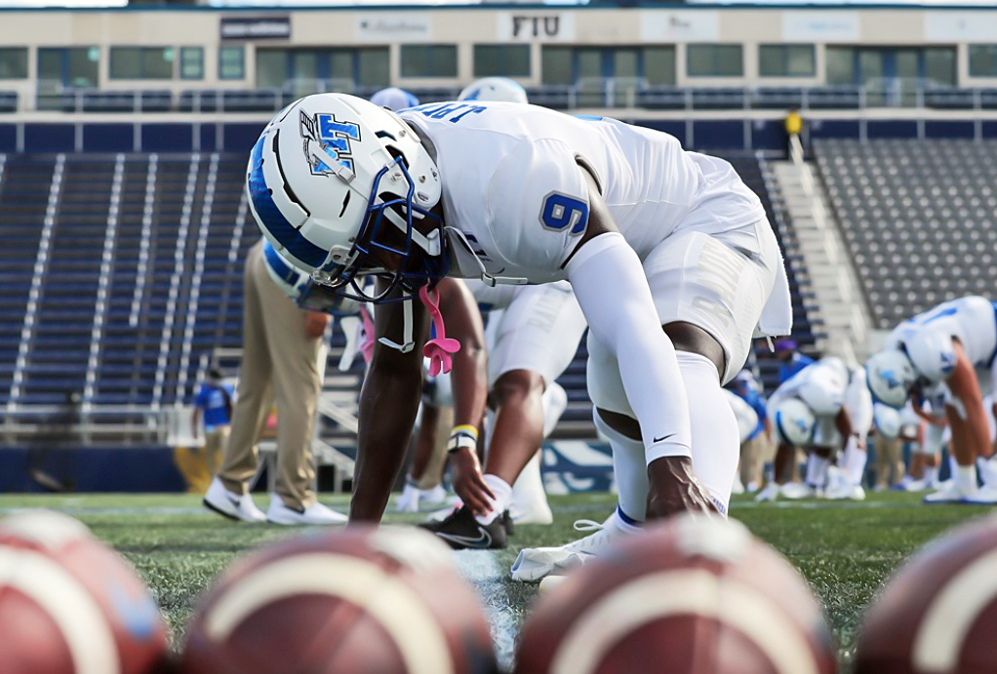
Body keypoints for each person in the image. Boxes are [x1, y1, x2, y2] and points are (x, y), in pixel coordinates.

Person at [248, 95, 792, 563]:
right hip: (630, 245)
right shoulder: (394, 192)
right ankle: (629, 530)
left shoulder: (515, 174)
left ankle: (708, 547)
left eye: (379, 243)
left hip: (705, 215)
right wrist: (359, 539)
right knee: (611, 388)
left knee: (675, 360)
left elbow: (631, 319)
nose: (384, 269)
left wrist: (673, 463)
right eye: (360, 263)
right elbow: (394, 371)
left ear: (400, 168)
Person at [419, 280, 586, 548]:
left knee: (517, 381)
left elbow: (469, 349)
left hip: (550, 272)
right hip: (507, 274)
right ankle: (502, 501)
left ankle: (486, 513)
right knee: (495, 390)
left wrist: (463, 441)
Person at [202, 241, 348, 525]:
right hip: (300, 263)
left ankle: (230, 484)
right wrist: (322, 298)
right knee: (300, 387)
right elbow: (334, 219)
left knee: (257, 380)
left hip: (264, 251)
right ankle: (293, 497)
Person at [867, 291, 997, 505]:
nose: (915, 392)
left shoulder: (930, 350)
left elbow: (971, 399)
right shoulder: (900, 347)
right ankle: (964, 482)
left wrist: (986, 459)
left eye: (911, 388)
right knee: (953, 407)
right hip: (980, 347)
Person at [757, 356, 872, 501]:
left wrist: (843, 464)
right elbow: (784, 442)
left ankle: (852, 484)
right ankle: (813, 485)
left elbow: (844, 420)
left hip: (851, 381)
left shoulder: (819, 393)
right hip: (825, 389)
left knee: (856, 433)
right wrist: (773, 485)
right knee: (824, 440)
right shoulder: (775, 407)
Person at [729, 370, 771, 492]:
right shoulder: (737, 396)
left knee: (753, 460)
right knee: (742, 459)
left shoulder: (755, 397)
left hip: (756, 433)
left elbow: (765, 416)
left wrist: (768, 434)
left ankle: (754, 483)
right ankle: (744, 483)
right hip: (743, 434)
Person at [192, 368, 234, 478]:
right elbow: (197, 412)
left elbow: (234, 407)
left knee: (226, 454)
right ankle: (214, 481)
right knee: (212, 457)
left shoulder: (227, 389)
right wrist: (194, 429)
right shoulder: (204, 392)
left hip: (224, 426)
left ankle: (227, 479)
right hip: (210, 427)